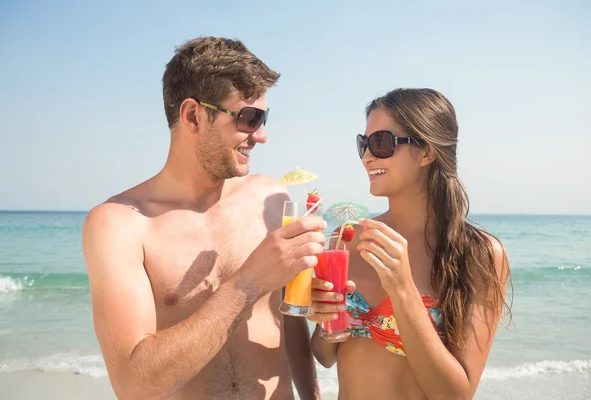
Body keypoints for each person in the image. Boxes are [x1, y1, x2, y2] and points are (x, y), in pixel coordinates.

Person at [82, 36, 326, 400]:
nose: (261, 136)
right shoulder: (120, 225)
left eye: (264, 118)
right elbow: (135, 384)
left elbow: (290, 325)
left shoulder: (272, 200)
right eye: (248, 118)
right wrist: (248, 283)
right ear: (193, 116)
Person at [309, 88, 512, 399]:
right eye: (363, 144)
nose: (366, 156)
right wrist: (326, 322)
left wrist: (402, 288)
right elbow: (325, 356)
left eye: (381, 143)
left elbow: (455, 395)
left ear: (426, 152)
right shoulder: (348, 238)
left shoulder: (477, 253)